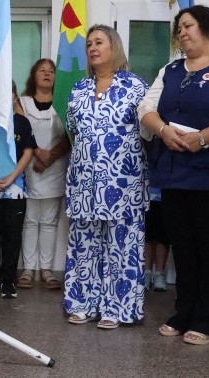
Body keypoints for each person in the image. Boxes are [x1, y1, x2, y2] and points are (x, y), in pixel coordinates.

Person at [139, 5, 209, 344]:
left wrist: (202, 137)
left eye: (188, 26)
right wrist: (162, 131)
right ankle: (183, 311)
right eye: (179, 29)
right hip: (175, 171)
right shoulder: (170, 70)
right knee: (183, 246)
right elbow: (145, 106)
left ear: (208, 27)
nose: (182, 33)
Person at [62, 24, 147, 330]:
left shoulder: (136, 87)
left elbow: (146, 130)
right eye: (89, 44)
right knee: (84, 244)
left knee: (122, 245)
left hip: (123, 182)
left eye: (99, 42)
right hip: (84, 181)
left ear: (114, 47)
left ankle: (117, 307)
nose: (93, 48)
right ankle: (83, 303)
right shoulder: (79, 88)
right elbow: (73, 128)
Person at [17, 59, 69, 290]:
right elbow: (19, 131)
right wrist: (38, 154)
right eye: (42, 70)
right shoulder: (22, 102)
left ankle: (46, 270)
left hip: (55, 169)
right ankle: (28, 269)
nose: (47, 74)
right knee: (29, 221)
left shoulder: (64, 104)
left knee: (49, 222)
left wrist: (50, 157)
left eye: (51, 71)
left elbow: (70, 135)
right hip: (27, 167)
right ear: (33, 75)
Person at [0, 83, 36, 299]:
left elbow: (28, 152)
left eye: (8, 93)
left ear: (14, 97)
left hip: (15, 190)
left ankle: (8, 281)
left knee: (12, 236)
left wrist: (11, 178)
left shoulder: (21, 122)